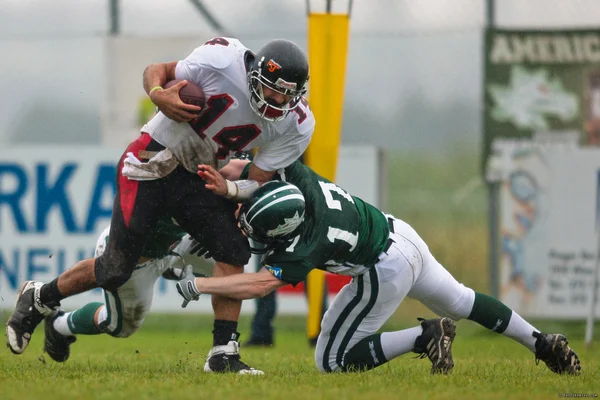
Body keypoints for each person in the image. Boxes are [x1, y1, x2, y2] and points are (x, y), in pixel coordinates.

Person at [5, 37, 315, 375]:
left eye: (287, 94)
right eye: (272, 90)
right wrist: (158, 95)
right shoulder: (223, 60)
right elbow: (159, 70)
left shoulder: (297, 123)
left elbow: (258, 178)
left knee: (234, 250)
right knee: (114, 270)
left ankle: (222, 352)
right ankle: (40, 297)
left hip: (196, 176)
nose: (277, 101)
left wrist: (229, 188)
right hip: (150, 159)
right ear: (254, 75)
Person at [176, 160, 581, 375]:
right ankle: (541, 342)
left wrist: (202, 286)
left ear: (287, 229)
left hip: (383, 267)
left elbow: (258, 285)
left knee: (330, 360)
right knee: (461, 299)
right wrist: (231, 185)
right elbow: (256, 169)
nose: (244, 223)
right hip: (400, 233)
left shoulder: (304, 248)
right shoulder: (299, 178)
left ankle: (424, 337)